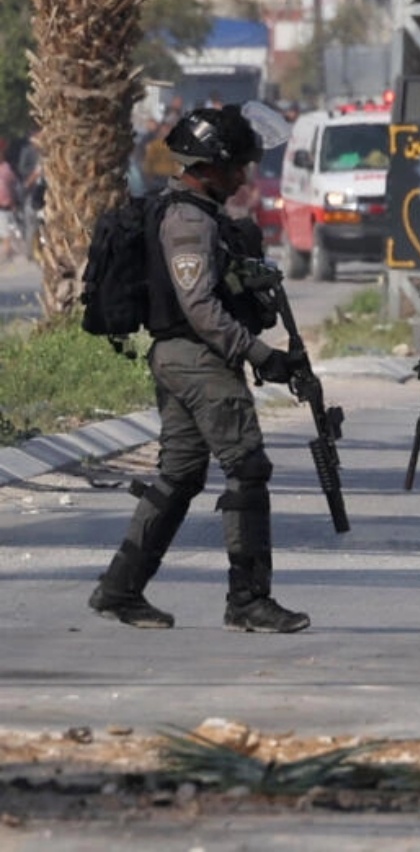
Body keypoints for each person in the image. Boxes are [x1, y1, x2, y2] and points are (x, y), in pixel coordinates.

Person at [89, 103, 312, 633]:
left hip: (184, 358)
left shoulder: (198, 212)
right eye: (235, 166)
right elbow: (202, 309)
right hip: (196, 359)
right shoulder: (187, 220)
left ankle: (120, 589)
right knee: (248, 467)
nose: (242, 177)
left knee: (181, 474)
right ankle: (249, 600)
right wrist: (262, 357)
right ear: (208, 166)